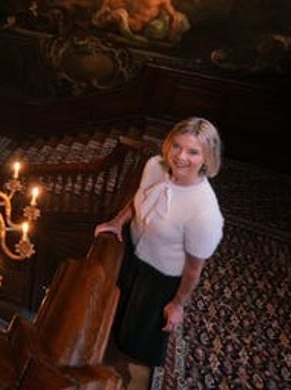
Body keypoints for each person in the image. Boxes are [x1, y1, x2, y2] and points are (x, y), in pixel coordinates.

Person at [95, 117, 224, 366]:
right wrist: (118, 221)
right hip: (132, 251)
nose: (180, 156)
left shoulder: (204, 212)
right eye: (176, 145)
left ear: (207, 158)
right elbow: (139, 197)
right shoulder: (155, 165)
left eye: (193, 152)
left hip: (160, 275)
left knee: (137, 336)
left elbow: (194, 269)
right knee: (116, 310)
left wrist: (178, 304)